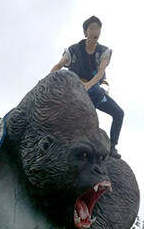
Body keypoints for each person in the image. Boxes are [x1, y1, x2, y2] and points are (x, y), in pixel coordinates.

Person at [50, 15, 124, 159]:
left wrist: (89, 85)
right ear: (85, 32)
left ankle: (112, 147)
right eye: (92, 28)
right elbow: (59, 65)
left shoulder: (104, 51)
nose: (96, 31)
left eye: (98, 28)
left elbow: (101, 71)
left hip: (94, 91)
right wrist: (49, 80)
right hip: (74, 90)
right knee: (94, 93)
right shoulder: (73, 50)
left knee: (118, 113)